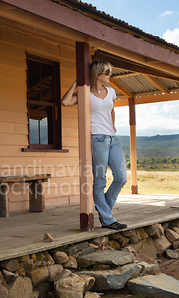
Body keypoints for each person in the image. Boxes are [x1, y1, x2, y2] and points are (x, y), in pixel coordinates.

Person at [61, 61, 127, 230]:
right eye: (107, 72)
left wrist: (113, 125)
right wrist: (77, 84)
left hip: (113, 139)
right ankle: (108, 219)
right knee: (100, 181)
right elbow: (66, 102)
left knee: (121, 177)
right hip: (97, 140)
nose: (110, 74)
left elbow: (111, 110)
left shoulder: (111, 92)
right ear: (98, 74)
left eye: (110, 71)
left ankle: (104, 211)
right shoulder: (85, 94)